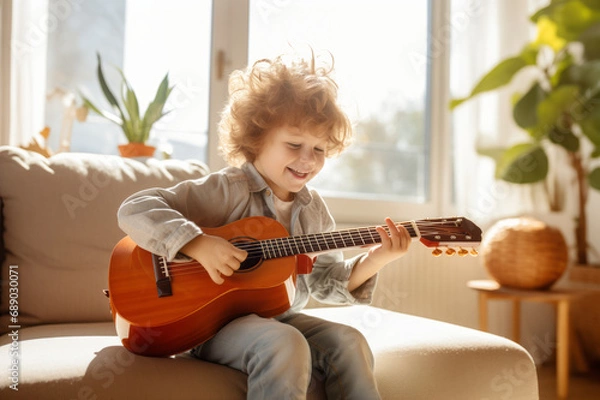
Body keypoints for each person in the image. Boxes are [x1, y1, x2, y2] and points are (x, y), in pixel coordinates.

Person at [117, 50, 411, 399]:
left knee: (350, 341)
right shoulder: (228, 189)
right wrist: (196, 243)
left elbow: (324, 283)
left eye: (319, 149)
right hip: (208, 323)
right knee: (284, 343)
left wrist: (376, 259)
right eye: (294, 144)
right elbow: (135, 208)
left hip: (279, 317)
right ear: (256, 139)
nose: (308, 160)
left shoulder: (313, 211)